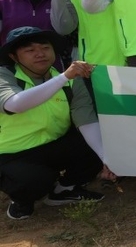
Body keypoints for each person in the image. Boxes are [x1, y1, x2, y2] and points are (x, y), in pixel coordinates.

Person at [0, 27, 112, 220]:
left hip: (52, 145)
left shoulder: (69, 80)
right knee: (34, 181)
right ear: (14, 56)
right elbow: (15, 104)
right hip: (10, 155)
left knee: (97, 142)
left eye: (45, 47)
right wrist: (64, 77)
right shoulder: (4, 75)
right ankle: (21, 201)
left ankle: (63, 190)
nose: (40, 53)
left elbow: (85, 119)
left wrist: (106, 158)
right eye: (29, 50)